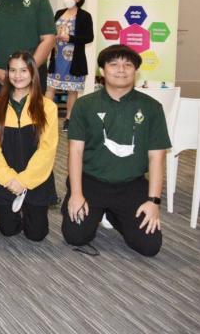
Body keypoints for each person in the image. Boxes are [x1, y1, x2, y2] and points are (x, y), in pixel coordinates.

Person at [61, 45, 169, 257]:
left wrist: (153, 202)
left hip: (131, 185)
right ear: (102, 70)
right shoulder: (84, 105)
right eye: (114, 64)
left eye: (127, 65)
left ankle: (111, 214)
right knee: (76, 236)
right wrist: (76, 194)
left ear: (135, 71)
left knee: (149, 246)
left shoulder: (151, 108)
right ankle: (98, 210)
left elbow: (157, 158)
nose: (121, 69)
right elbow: (75, 152)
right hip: (91, 182)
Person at [0, 51, 58, 242]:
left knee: (37, 234)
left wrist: (24, 181)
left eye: (23, 70)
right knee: (8, 229)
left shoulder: (47, 107)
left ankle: (31, 209)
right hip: (5, 180)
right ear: (7, 73)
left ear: (33, 73)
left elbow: (47, 149)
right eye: (13, 70)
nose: (17, 75)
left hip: (36, 178)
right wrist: (9, 180)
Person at [46, 0, 94, 130]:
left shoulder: (85, 16)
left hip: (74, 60)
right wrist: (54, 36)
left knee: (72, 90)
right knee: (50, 88)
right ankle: (46, 117)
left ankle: (69, 119)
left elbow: (89, 37)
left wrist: (70, 38)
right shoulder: (59, 13)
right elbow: (50, 30)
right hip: (57, 57)